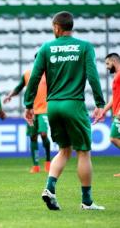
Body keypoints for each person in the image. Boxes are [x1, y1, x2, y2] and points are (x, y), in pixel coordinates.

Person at [24, 11, 105, 210]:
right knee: (83, 152)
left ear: (57, 27)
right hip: (74, 104)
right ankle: (87, 202)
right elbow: (93, 76)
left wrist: (28, 105)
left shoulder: (46, 48)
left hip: (53, 106)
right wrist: (100, 103)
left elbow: (34, 77)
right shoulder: (85, 47)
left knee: (63, 150)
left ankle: (49, 188)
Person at [4, 54, 51, 174]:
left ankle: (48, 161)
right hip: (31, 110)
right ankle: (36, 166)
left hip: (44, 110)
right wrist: (10, 95)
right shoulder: (27, 74)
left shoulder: (50, 74)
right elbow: (19, 87)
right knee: (33, 136)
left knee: (44, 134)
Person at [93, 53, 120, 177]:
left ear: (114, 61)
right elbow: (114, 97)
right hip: (116, 112)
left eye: (108, 64)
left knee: (113, 137)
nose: (107, 67)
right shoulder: (116, 76)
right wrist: (103, 111)